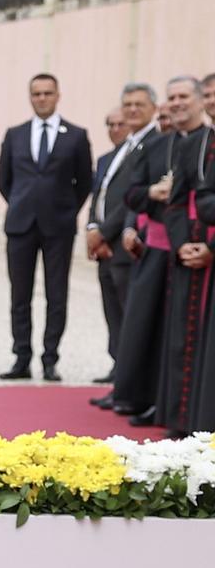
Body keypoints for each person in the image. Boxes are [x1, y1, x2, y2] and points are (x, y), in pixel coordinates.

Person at [0, 74, 91, 381]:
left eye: (48, 93)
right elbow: (4, 180)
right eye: (36, 93)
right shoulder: (16, 135)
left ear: (58, 95)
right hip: (21, 225)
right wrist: (23, 203)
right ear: (30, 97)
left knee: (56, 294)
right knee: (19, 295)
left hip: (58, 226)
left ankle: (50, 358)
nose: (42, 98)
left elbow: (84, 183)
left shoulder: (75, 135)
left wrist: (64, 209)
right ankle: (21, 356)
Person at [143, 76, 215, 433]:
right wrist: (182, 243)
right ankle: (184, 419)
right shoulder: (194, 145)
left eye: (184, 96)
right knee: (182, 339)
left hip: (210, 248)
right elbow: (175, 204)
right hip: (191, 248)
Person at [106, 83, 168, 420]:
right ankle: (125, 384)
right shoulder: (131, 144)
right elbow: (128, 192)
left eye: (138, 104)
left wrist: (118, 228)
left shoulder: (156, 141)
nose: (130, 110)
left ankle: (141, 392)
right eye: (125, 103)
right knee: (126, 321)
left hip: (155, 244)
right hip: (132, 240)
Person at [86, 107, 134, 391]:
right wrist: (92, 229)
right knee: (110, 309)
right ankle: (116, 363)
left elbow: (127, 202)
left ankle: (128, 371)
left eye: (120, 123)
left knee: (127, 309)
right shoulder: (106, 159)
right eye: (110, 124)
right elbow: (97, 197)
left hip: (120, 245)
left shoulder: (136, 157)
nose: (115, 128)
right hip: (102, 245)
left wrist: (104, 233)